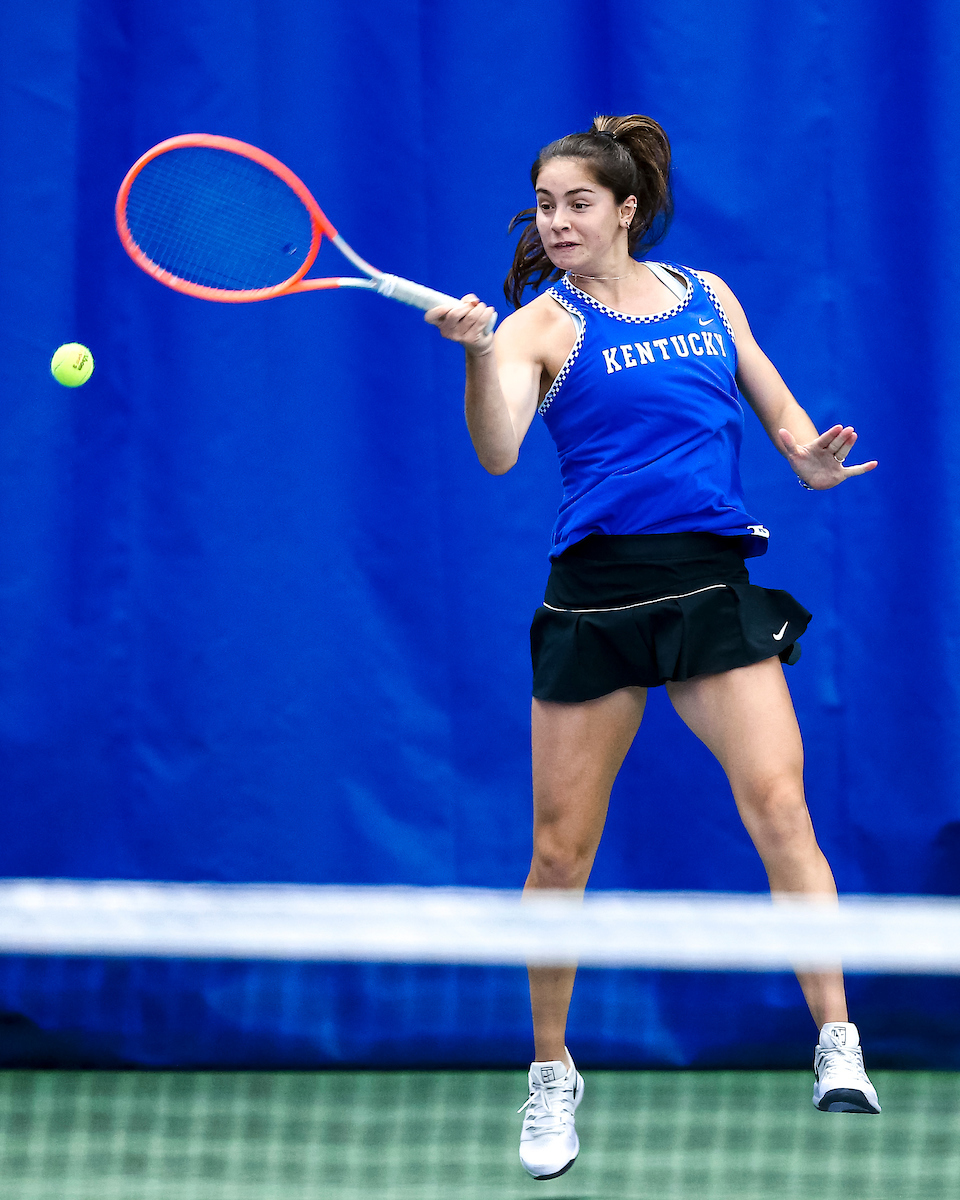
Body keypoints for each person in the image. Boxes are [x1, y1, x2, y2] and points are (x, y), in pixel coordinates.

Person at [426, 114, 881, 1181]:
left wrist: (808, 458)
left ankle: (836, 1038)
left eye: (578, 203)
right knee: (558, 855)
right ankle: (550, 1071)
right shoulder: (537, 326)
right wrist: (479, 356)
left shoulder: (709, 296)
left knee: (781, 807)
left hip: (710, 590)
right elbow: (498, 451)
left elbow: (774, 403)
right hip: (595, 601)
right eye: (546, 205)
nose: (558, 221)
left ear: (627, 210)